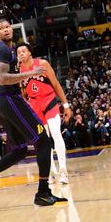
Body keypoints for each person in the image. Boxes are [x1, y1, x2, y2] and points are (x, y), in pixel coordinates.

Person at [0, 20, 68, 206]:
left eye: (8, 27)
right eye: (1, 28)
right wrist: (30, 73)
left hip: (3, 102)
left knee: (21, 149)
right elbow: (3, 78)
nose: (6, 29)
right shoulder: (1, 49)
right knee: (44, 141)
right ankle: (43, 192)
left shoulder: (9, 49)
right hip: (9, 99)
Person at [16, 43, 72, 183]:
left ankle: (63, 171)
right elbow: (23, 91)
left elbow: (56, 84)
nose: (21, 53)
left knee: (56, 133)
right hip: (34, 105)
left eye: (23, 51)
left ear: (30, 53)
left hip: (49, 100)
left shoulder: (42, 63)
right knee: (43, 141)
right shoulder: (19, 70)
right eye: (18, 52)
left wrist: (66, 105)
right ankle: (52, 172)